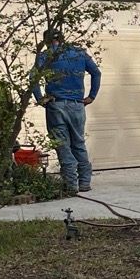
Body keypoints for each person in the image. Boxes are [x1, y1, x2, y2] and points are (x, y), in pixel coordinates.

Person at [32, 28, 101, 195]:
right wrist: (91, 96)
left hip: (57, 106)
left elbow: (33, 77)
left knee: (62, 144)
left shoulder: (46, 56)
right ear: (62, 39)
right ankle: (84, 182)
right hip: (77, 105)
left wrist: (40, 98)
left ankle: (71, 184)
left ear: (47, 41)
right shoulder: (79, 53)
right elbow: (96, 73)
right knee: (78, 142)